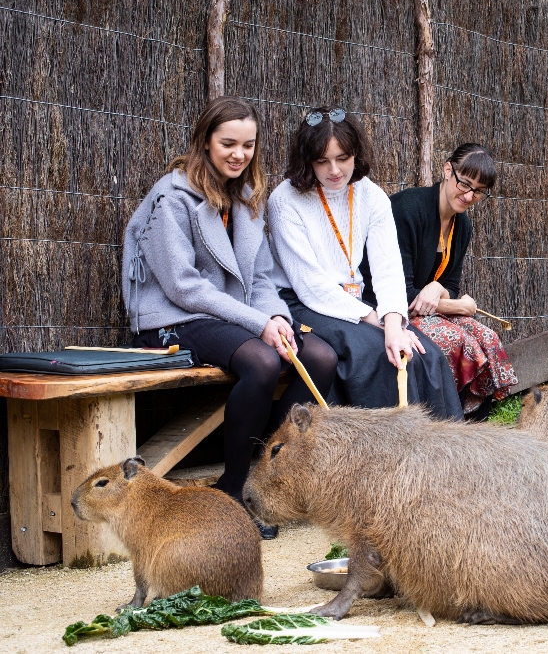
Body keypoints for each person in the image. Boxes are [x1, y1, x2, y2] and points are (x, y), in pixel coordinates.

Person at [122, 97, 339, 539]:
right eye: (228, 144)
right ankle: (234, 486)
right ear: (205, 141)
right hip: (172, 318)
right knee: (261, 361)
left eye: (248, 145)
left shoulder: (243, 199)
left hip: (227, 316)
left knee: (318, 356)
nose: (239, 154)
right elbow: (184, 286)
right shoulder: (172, 197)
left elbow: (259, 279)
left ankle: (267, 471)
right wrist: (259, 325)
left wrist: (276, 316)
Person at [267, 107, 462, 420]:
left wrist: (394, 322)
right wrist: (378, 322)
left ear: (356, 154)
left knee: (426, 355)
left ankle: (439, 455)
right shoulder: (284, 201)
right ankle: (379, 455)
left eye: (343, 158)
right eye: (322, 160)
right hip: (303, 302)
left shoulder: (371, 195)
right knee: (373, 353)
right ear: (307, 160)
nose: (334, 170)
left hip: (355, 302)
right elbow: (309, 284)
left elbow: (388, 269)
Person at [364, 143, 518, 419]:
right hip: (384, 309)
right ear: (448, 170)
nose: (469, 195)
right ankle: (446, 418)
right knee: (461, 341)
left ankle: (474, 420)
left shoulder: (463, 225)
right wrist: (461, 307)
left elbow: (452, 286)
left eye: (479, 191)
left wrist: (438, 287)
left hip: (425, 310)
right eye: (464, 183)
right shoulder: (407, 210)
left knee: (489, 338)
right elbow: (405, 294)